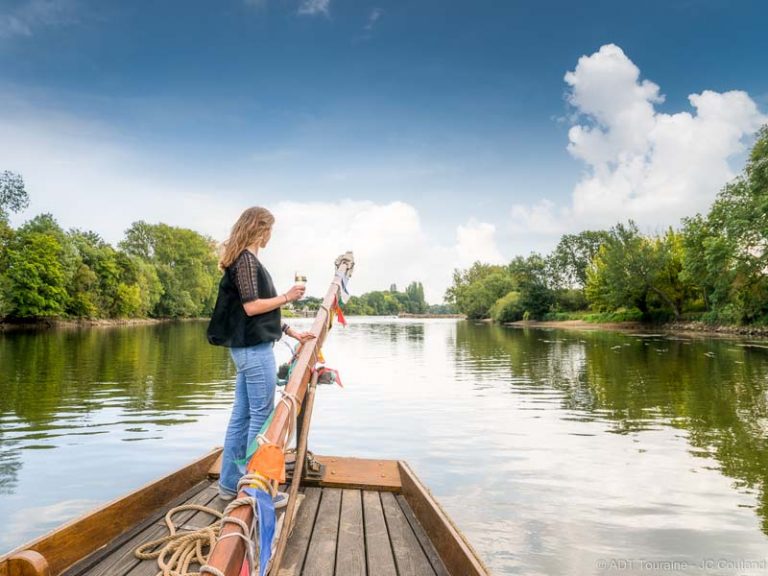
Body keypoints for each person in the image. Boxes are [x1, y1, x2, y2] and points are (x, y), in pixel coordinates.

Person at [207, 206, 315, 502]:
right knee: (262, 418)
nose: (271, 236)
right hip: (253, 352)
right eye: (270, 230)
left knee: (241, 418)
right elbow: (252, 307)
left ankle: (230, 486)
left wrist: (291, 331)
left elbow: (254, 314)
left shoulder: (245, 260)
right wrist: (287, 297)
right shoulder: (245, 261)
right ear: (261, 229)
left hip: (248, 350)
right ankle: (254, 491)